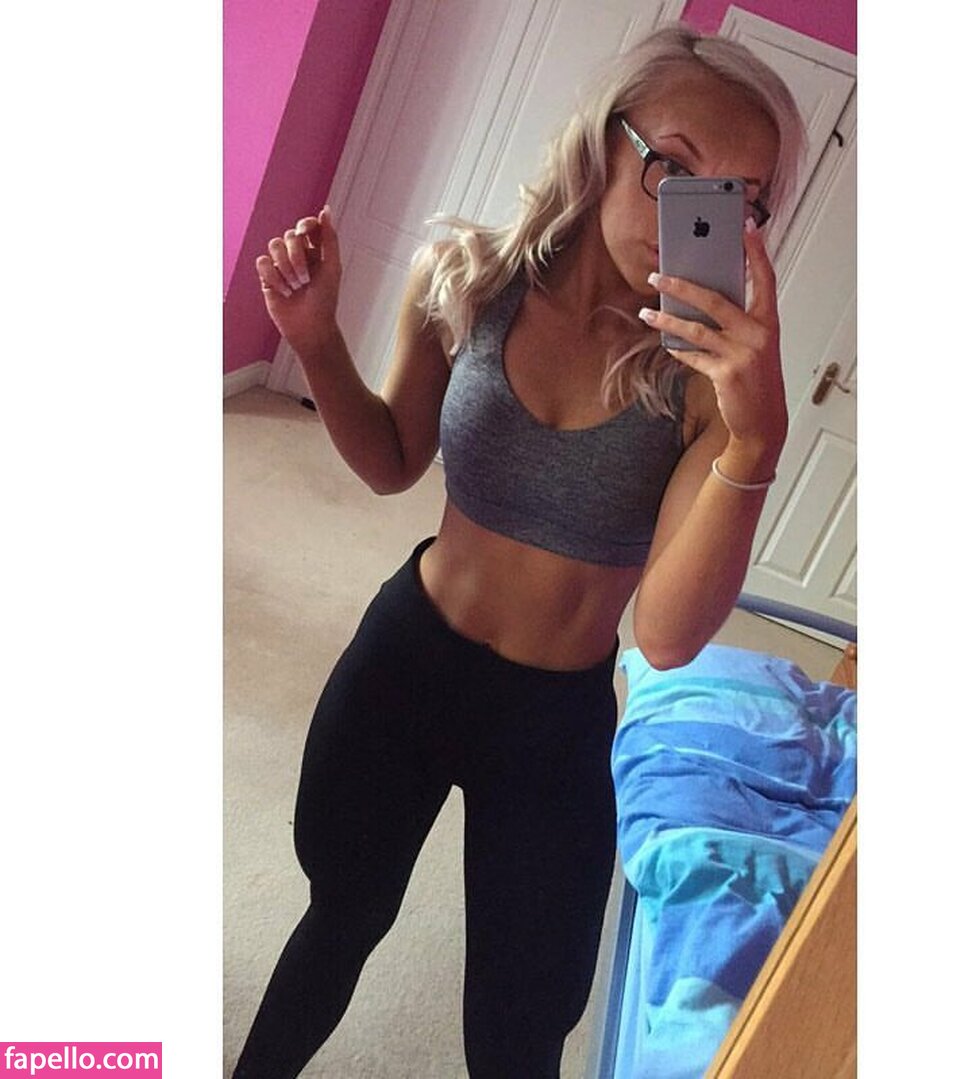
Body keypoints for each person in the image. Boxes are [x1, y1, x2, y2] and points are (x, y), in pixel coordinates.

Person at [233, 23, 806, 1079]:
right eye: (675, 166)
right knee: (339, 915)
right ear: (603, 141)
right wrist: (314, 339)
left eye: (739, 197)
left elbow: (665, 636)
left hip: (554, 721)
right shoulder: (467, 278)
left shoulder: (705, 387)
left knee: (520, 1022)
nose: (698, 211)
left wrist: (756, 443)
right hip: (406, 661)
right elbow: (393, 458)